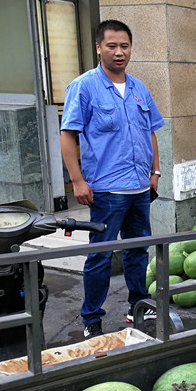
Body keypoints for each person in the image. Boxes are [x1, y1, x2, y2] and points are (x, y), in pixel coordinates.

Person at [60, 19, 164, 339]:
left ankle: (138, 307)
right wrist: (77, 180)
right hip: (106, 190)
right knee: (101, 256)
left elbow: (150, 132)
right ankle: (92, 318)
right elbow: (68, 134)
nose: (119, 52)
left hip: (139, 188)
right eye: (112, 46)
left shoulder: (138, 87)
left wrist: (155, 172)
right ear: (98, 48)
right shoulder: (84, 86)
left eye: (124, 46)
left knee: (138, 251)